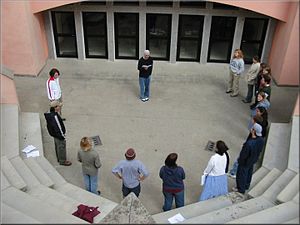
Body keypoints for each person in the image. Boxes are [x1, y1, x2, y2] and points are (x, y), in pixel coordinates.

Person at [233, 123, 265, 194]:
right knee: (249, 173)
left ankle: (241, 189)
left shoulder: (249, 144)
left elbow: (243, 155)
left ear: (253, 131)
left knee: (241, 174)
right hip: (253, 160)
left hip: (245, 162)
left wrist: (240, 160)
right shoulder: (261, 140)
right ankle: (246, 185)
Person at [44, 100, 71, 166]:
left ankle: (59, 158)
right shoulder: (55, 117)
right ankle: (62, 161)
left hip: (54, 134)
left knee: (57, 146)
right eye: (59, 106)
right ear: (55, 107)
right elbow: (58, 128)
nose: (60, 108)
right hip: (58, 135)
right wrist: (62, 136)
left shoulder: (49, 114)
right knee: (61, 147)